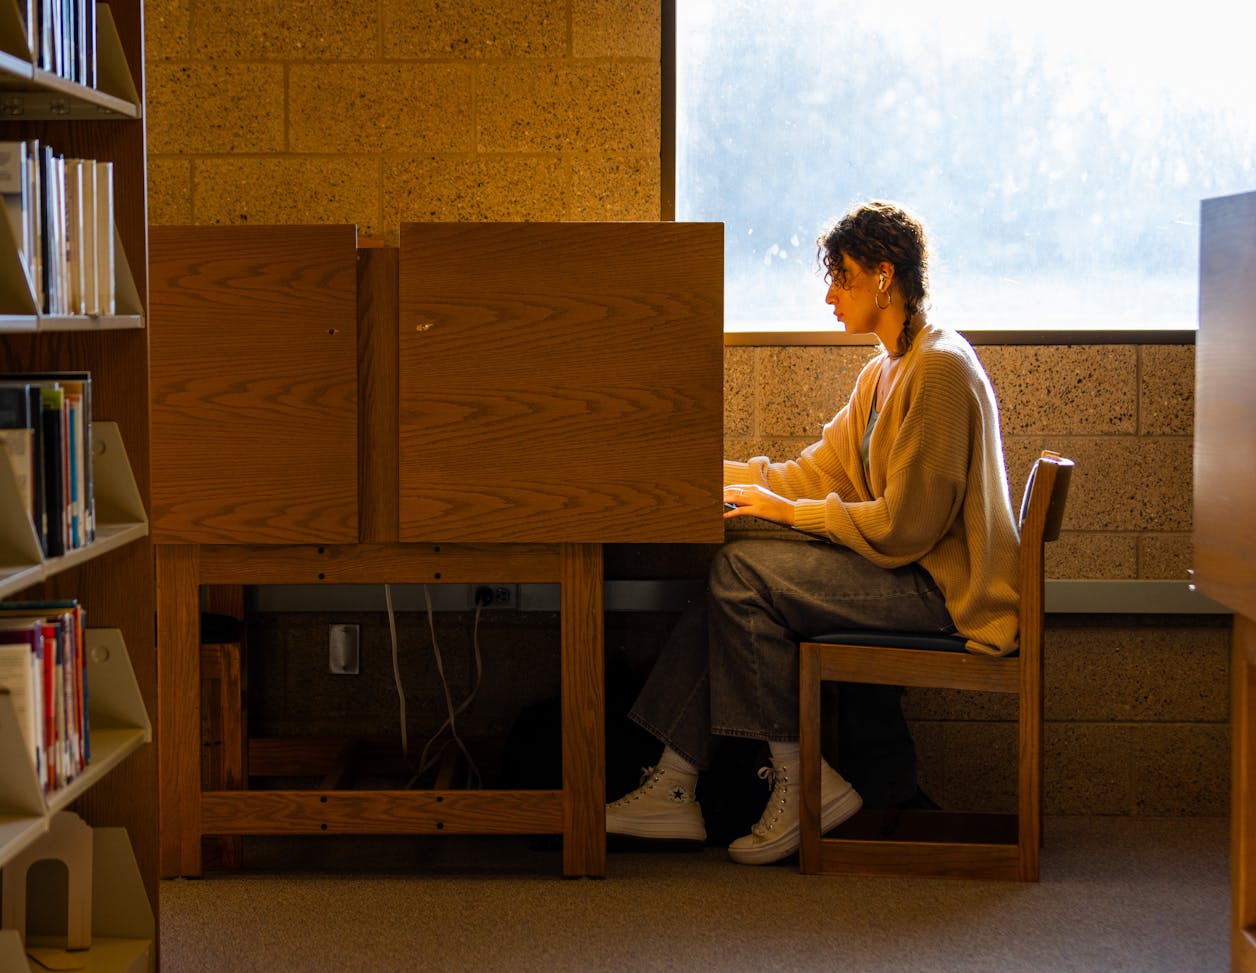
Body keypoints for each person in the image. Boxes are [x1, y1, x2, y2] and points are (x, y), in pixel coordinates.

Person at [605, 200, 1020, 865]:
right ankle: (678, 781)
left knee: (739, 571)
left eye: (843, 276)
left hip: (940, 592)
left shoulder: (939, 367)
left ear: (885, 276)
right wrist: (700, 477)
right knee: (734, 550)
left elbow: (906, 525)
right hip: (906, 571)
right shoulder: (883, 371)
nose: (830, 294)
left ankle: (800, 780)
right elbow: (809, 472)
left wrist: (782, 510)